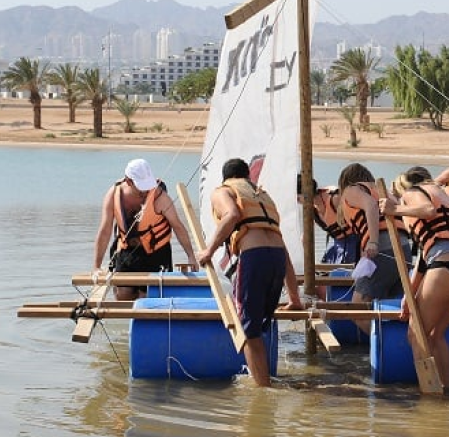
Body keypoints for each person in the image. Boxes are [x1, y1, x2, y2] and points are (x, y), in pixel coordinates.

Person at [197, 158, 301, 387]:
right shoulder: (263, 197)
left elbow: (232, 214)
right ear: (247, 177)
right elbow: (285, 254)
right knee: (257, 326)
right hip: (276, 259)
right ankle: (264, 382)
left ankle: (263, 391)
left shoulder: (222, 191)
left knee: (249, 331)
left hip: (254, 258)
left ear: (226, 178)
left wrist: (209, 250)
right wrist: (295, 299)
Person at [379, 166, 449, 389]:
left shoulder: (414, 192)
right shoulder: (445, 196)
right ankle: (445, 391)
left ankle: (430, 397)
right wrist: (409, 294)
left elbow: (428, 210)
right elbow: (424, 257)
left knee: (416, 335)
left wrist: (395, 208)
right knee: (435, 335)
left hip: (445, 267)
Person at [92, 158, 198, 301]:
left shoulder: (159, 197)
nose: (146, 191)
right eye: (141, 187)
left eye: (147, 186)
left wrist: (190, 255)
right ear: (128, 181)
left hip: (156, 253)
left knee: (147, 297)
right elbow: (105, 230)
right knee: (123, 296)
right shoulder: (114, 195)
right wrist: (96, 266)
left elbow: (177, 226)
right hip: (127, 251)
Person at [337, 162, 412, 305]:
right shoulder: (385, 193)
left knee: (358, 307)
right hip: (404, 250)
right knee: (390, 307)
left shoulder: (352, 189)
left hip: (383, 250)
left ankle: (368, 328)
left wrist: (373, 241)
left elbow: (371, 205)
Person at [298, 175, 360, 265]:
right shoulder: (310, 209)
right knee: (325, 271)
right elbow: (306, 236)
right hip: (337, 244)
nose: (298, 202)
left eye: (298, 198)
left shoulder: (334, 198)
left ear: (306, 194)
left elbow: (360, 220)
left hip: (354, 244)